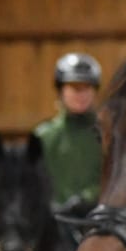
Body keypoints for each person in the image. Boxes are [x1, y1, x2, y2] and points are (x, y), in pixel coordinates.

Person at [34, 52, 103, 213]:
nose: (81, 94)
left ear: (94, 91)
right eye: (74, 87)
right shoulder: (44, 136)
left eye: (86, 87)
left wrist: (88, 197)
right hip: (53, 220)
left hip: (100, 218)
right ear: (61, 91)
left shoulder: (109, 133)